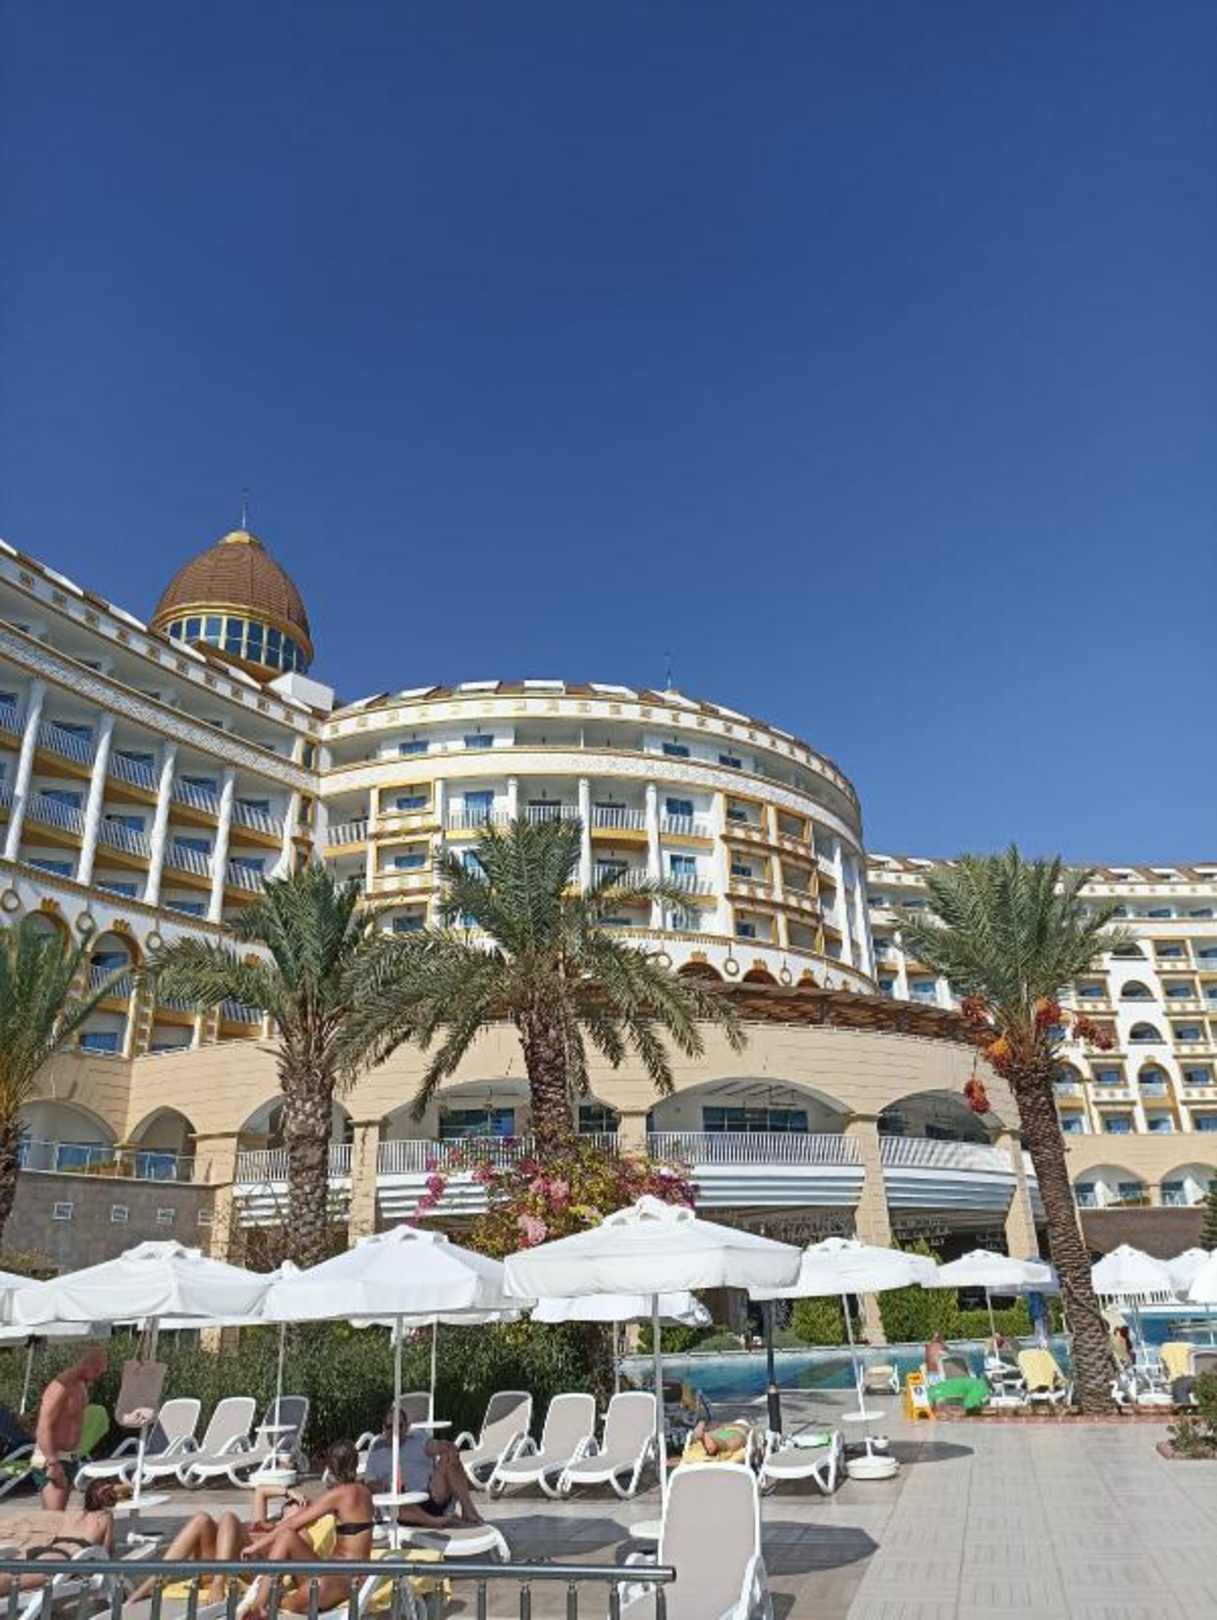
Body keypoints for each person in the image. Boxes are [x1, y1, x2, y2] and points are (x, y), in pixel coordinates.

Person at [238, 1440, 378, 1619]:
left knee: (288, 1537)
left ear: (330, 1467)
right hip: (348, 1575)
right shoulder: (365, 1493)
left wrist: (255, 1547)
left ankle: (261, 1604)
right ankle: (265, 1604)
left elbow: (292, 1524)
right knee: (288, 1538)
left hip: (340, 1578)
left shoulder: (338, 1494)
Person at [365, 1402, 483, 1529]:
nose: (395, 1431)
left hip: (432, 1495)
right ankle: (433, 1521)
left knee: (449, 1457)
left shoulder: (417, 1437)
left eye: (399, 1425)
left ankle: (468, 1510)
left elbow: (435, 1446)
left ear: (407, 1426)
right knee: (395, 1500)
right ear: (383, 1428)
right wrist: (385, 1487)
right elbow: (370, 1483)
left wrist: (446, 1447)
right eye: (389, 1426)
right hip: (405, 1506)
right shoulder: (376, 1451)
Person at [0, 1479, 119, 1594]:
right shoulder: (105, 1516)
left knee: (9, 1572)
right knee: (14, 1581)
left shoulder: (75, 1514)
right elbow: (107, 1550)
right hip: (65, 1554)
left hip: (48, 1547)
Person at [33, 1347, 108, 1510]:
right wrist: (53, 1463)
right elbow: (43, 1427)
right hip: (52, 1456)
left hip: (69, 1457)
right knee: (54, 1517)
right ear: (85, 1363)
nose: (99, 1375)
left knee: (59, 1515)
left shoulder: (80, 1384)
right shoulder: (60, 1387)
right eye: (97, 1370)